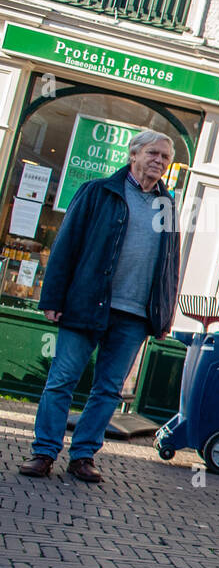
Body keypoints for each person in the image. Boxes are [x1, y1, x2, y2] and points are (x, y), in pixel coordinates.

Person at [20, 130, 180, 484]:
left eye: (165, 157)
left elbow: (170, 264)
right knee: (62, 380)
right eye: (153, 153)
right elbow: (66, 245)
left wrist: (163, 315)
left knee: (109, 389)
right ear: (133, 154)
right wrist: (53, 298)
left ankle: (83, 456)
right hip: (86, 304)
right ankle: (44, 453)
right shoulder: (99, 191)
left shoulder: (167, 205)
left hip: (135, 315)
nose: (159, 161)